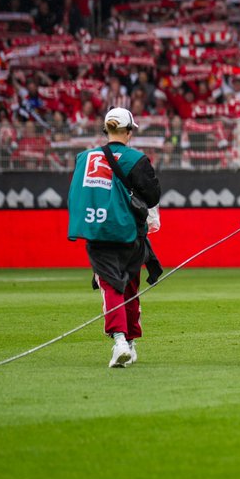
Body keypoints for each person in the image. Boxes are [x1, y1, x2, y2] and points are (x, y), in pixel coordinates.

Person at [67, 107, 162, 368]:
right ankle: (130, 342)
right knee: (130, 286)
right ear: (129, 131)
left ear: (106, 130)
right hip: (130, 232)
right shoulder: (137, 159)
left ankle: (119, 339)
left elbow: (76, 194)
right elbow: (153, 196)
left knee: (110, 285)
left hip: (98, 231)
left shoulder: (84, 158)